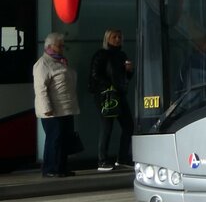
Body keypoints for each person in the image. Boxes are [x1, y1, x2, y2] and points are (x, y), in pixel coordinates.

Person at [33, 31, 79, 178]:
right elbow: (41, 89)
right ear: (50, 46)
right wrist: (47, 108)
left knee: (64, 139)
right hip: (52, 110)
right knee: (54, 139)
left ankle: (61, 167)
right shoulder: (43, 64)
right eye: (60, 46)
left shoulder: (60, 61)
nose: (62, 48)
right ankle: (50, 168)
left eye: (63, 46)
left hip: (66, 108)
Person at [88, 27, 133, 171]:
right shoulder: (102, 54)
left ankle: (122, 158)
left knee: (128, 126)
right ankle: (102, 160)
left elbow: (125, 78)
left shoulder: (122, 55)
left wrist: (129, 71)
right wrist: (109, 85)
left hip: (119, 93)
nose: (118, 39)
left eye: (119, 37)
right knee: (107, 126)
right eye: (114, 37)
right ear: (107, 39)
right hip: (106, 94)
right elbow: (95, 74)